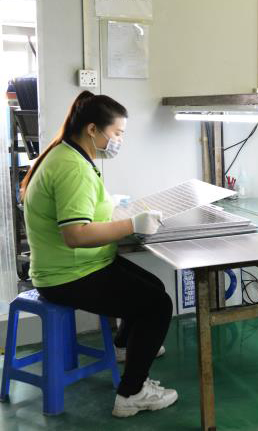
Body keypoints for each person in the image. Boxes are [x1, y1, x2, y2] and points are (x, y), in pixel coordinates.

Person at [22, 91, 177, 417]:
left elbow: (78, 209)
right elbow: (75, 235)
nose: (119, 140)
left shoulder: (68, 154)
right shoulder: (73, 168)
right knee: (158, 306)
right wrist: (131, 224)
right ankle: (132, 394)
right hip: (68, 275)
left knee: (153, 287)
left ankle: (123, 347)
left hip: (81, 264)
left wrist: (111, 205)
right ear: (93, 129)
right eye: (117, 133)